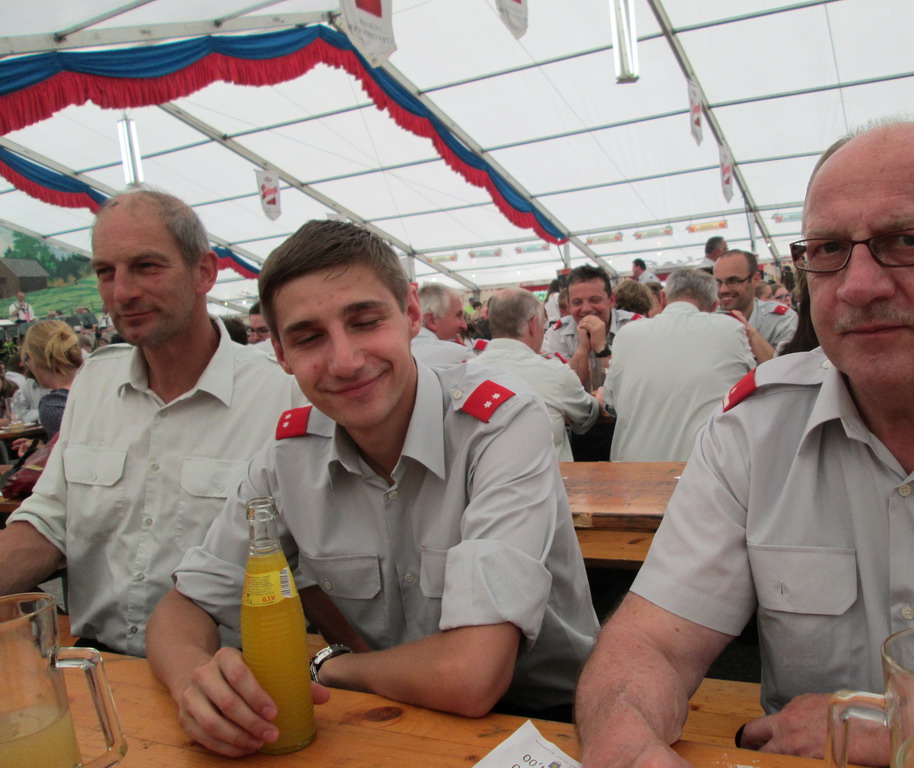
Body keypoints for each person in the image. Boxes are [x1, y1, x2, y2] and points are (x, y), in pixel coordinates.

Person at [574, 117, 914, 767]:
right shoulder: (755, 430)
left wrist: (912, 733)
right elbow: (652, 644)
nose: (858, 285)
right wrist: (624, 738)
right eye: (829, 249)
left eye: (907, 240)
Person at [146, 220, 599, 757]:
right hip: (389, 714)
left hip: (550, 722)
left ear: (410, 314)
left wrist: (331, 667)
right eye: (308, 337)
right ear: (282, 355)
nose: (345, 361)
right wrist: (195, 683)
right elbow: (184, 607)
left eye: (364, 322)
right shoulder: (287, 458)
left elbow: (471, 675)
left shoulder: (498, 424)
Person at [0, 188, 303, 656]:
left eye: (146, 266)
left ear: (204, 272)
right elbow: (49, 520)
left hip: (229, 673)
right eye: (106, 272)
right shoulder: (95, 381)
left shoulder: (282, 394)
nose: (122, 292)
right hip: (98, 664)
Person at [601, 268, 754, 462]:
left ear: (662, 298)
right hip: (706, 470)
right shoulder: (730, 329)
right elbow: (751, 396)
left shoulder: (627, 334)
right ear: (714, 305)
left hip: (635, 470)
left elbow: (610, 403)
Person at [470, 288, 599, 461]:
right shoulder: (555, 373)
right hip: (548, 476)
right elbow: (587, 418)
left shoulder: (465, 372)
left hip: (484, 474)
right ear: (533, 325)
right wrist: (600, 398)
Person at [542, 265, 642, 390]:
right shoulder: (558, 333)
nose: (586, 309)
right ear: (569, 305)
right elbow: (567, 388)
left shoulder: (636, 327)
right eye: (577, 302)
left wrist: (601, 348)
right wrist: (583, 348)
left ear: (611, 300)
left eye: (594, 300)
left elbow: (632, 384)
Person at [714, 249, 797, 363]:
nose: (723, 290)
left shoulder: (781, 319)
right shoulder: (707, 321)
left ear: (755, 279)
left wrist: (749, 331)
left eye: (733, 281)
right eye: (718, 282)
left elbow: (786, 369)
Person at [18, 319, 82, 439]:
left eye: (26, 359)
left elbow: (74, 448)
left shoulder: (53, 405)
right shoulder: (97, 384)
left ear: (33, 358)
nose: (25, 365)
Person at [411, 284, 473, 366]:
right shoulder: (459, 355)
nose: (464, 326)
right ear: (432, 321)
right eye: (458, 315)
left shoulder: (401, 351)